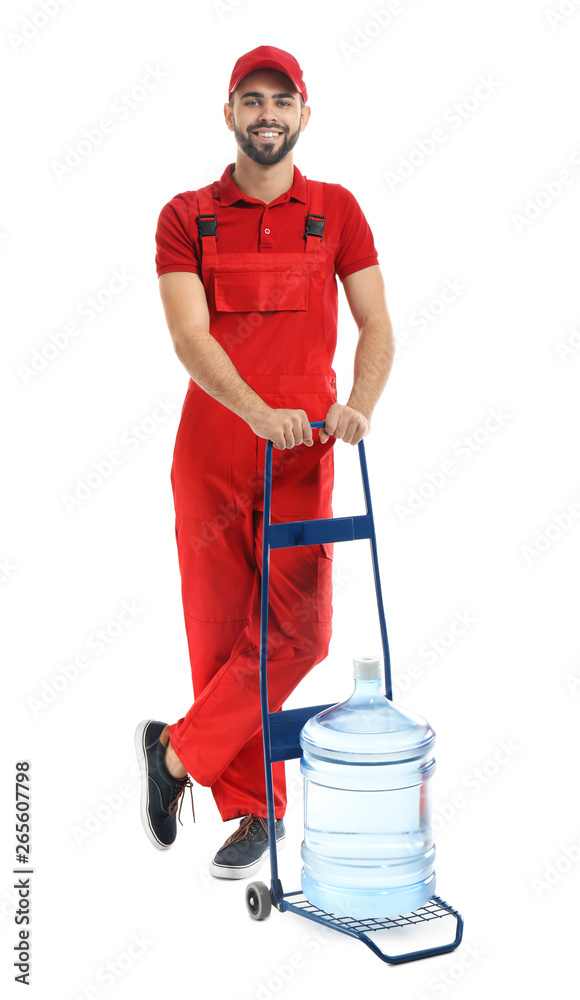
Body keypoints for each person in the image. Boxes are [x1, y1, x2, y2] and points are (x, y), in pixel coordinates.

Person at [135, 45, 395, 879]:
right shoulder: (186, 216)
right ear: (229, 115)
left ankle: (176, 753)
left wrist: (359, 403)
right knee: (221, 637)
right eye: (252, 101)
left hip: (307, 457)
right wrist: (255, 411)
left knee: (298, 633)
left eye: (282, 101)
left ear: (304, 116)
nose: (267, 115)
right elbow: (188, 336)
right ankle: (253, 811)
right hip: (214, 453)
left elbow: (377, 325)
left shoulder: (339, 211)